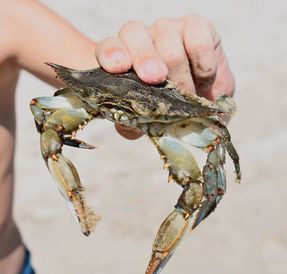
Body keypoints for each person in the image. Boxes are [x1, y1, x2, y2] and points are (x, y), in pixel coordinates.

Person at [0, 1, 235, 273]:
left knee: (197, 189)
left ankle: (157, 263)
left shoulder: (9, 18)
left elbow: (114, 64)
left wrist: (191, 62)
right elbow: (41, 108)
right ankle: (76, 202)